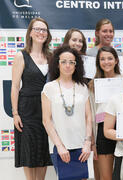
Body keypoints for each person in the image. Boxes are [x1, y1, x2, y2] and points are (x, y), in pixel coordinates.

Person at [42, 45, 92, 180]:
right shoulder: (49, 88)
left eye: (71, 62)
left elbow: (88, 117)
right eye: (63, 61)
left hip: (82, 147)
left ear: (76, 65)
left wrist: (87, 142)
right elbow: (46, 120)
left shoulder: (82, 87)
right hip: (60, 147)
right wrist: (59, 146)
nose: (67, 65)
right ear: (57, 64)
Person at [11, 17, 52, 180]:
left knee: (42, 148)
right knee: (28, 149)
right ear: (30, 32)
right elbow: (15, 86)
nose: (41, 33)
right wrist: (15, 113)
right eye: (37, 29)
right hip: (27, 109)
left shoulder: (51, 56)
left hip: (46, 109)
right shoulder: (21, 56)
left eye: (44, 30)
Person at [89, 46, 121, 180]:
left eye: (109, 58)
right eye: (102, 59)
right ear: (98, 63)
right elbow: (90, 114)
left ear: (116, 61)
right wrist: (92, 142)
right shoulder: (92, 85)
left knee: (122, 175)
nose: (106, 62)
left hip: (122, 128)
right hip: (102, 131)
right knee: (106, 177)